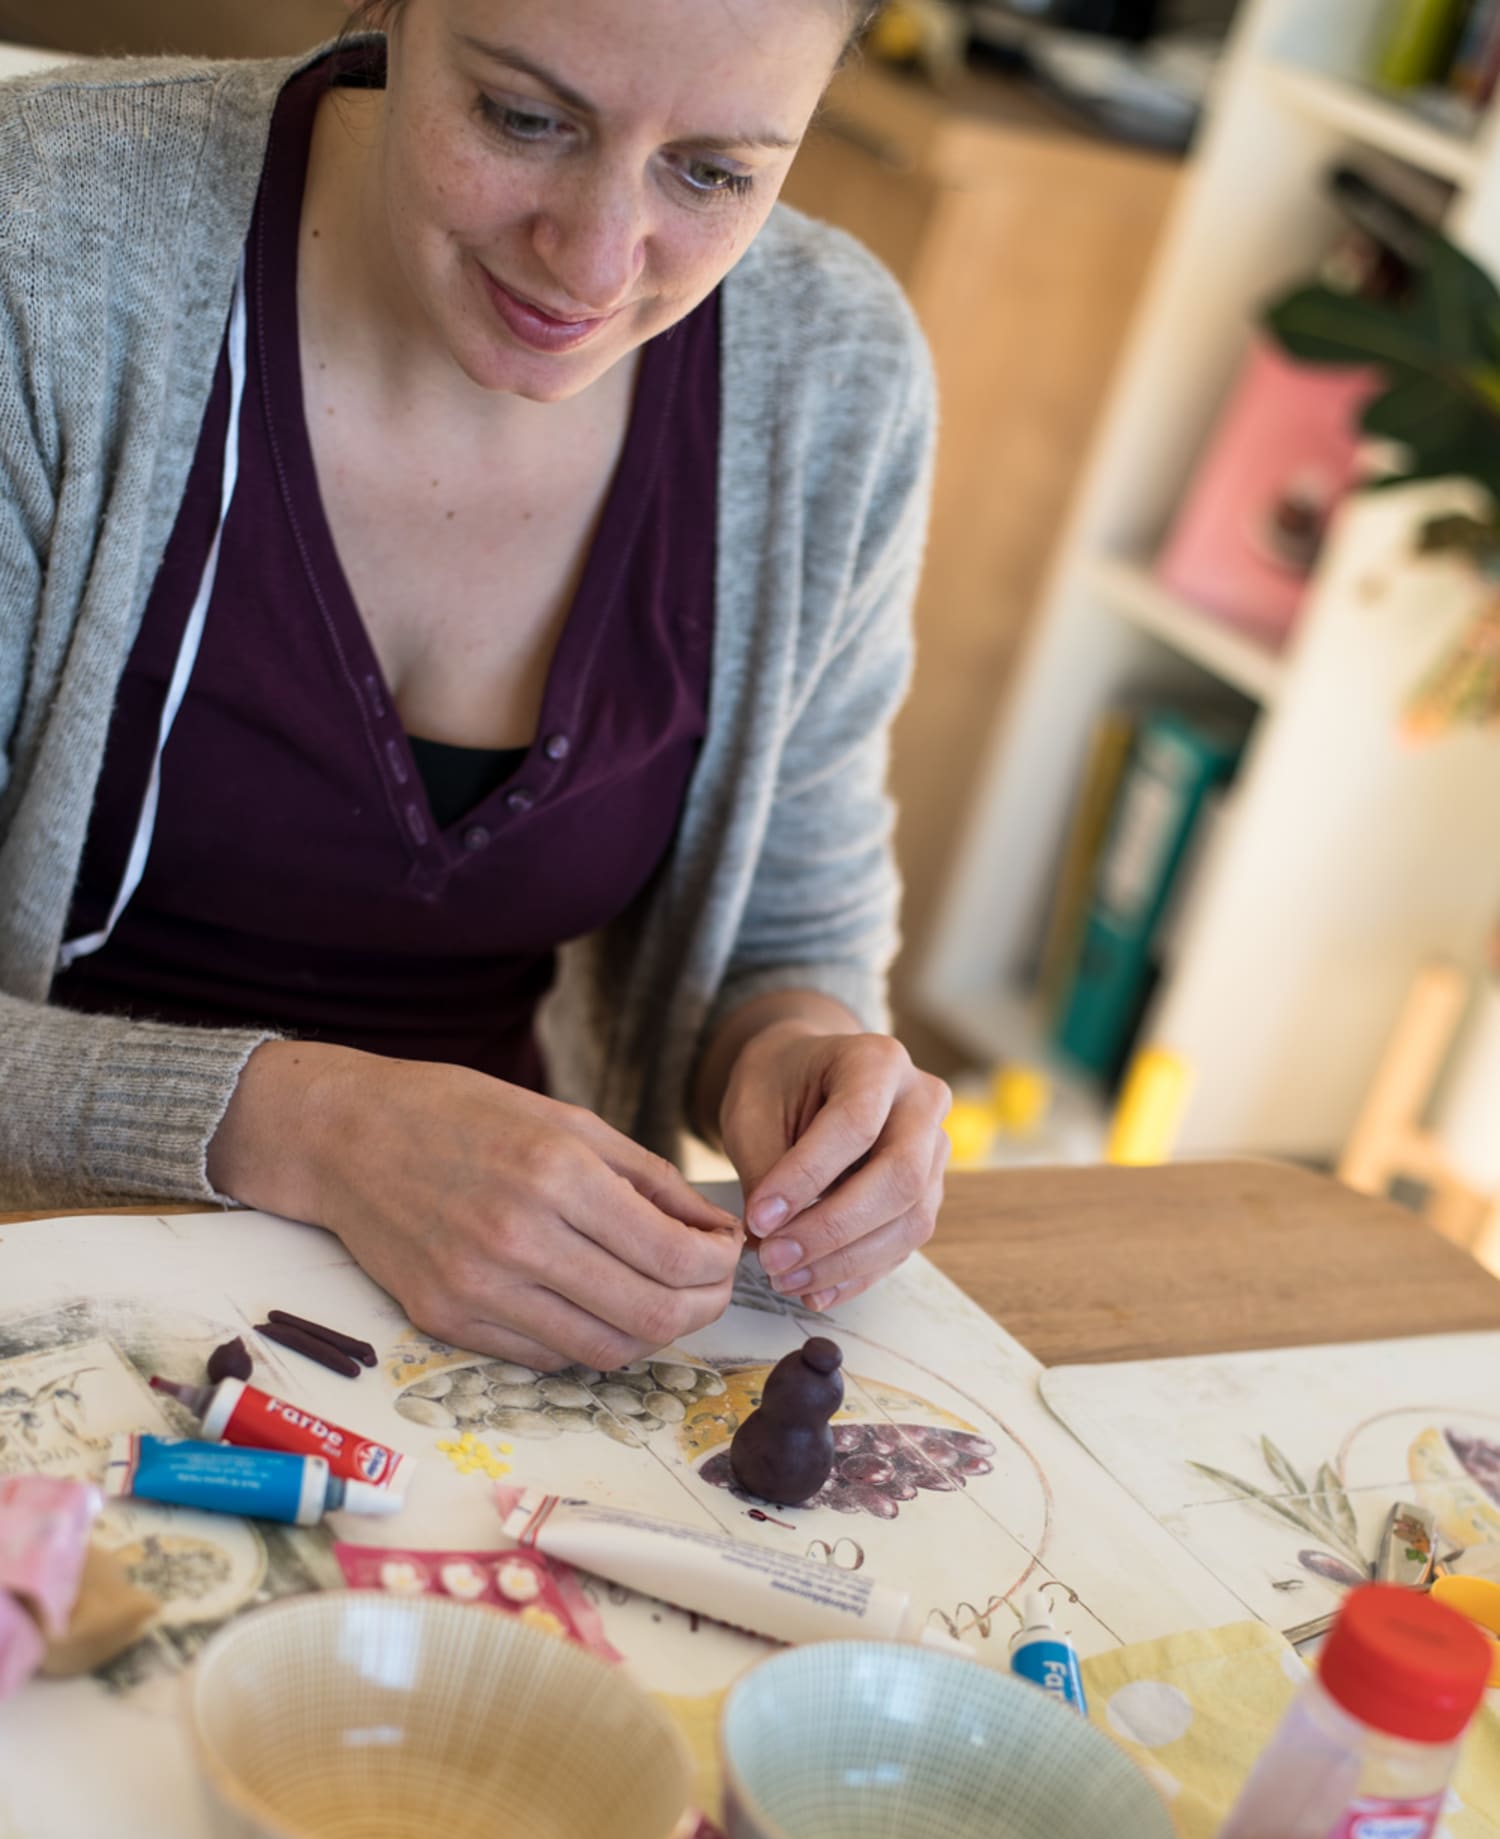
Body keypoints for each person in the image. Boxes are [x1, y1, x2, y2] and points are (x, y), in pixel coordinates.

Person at [0, 0, 948, 1369]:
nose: (595, 261)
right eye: (523, 118)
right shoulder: (46, 247)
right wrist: (310, 1130)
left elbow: (789, 925)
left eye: (715, 173)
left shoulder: (834, 373)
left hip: (495, 1321)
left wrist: (800, 1059)